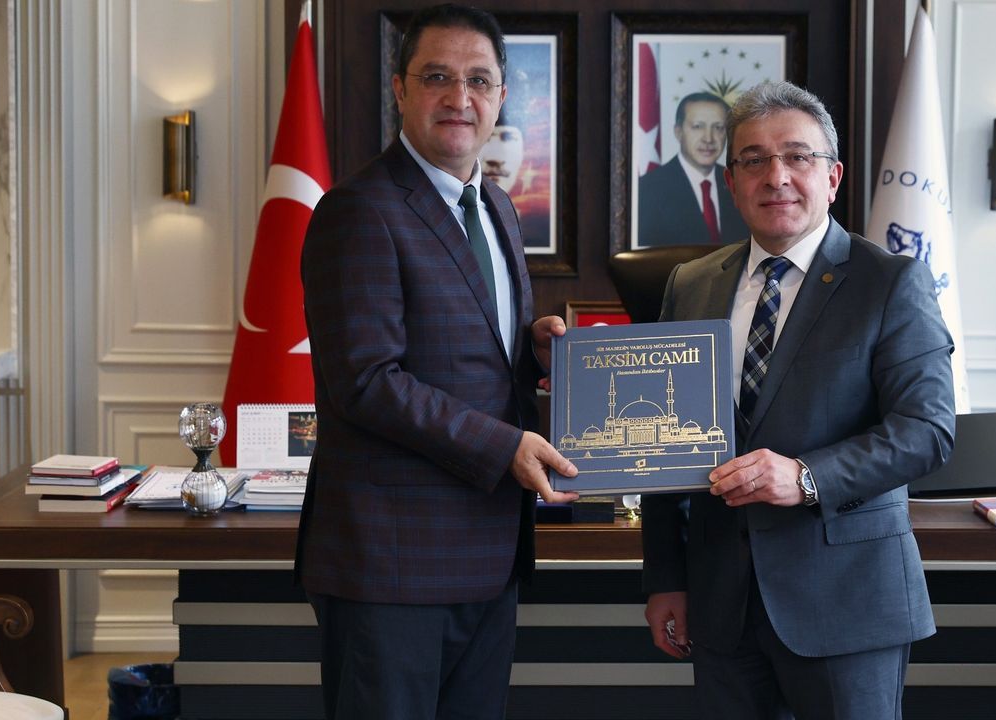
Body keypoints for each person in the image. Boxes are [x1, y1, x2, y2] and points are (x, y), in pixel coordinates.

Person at [295, 4, 578, 719]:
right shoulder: (358, 210)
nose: (460, 97)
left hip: (488, 552)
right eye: (437, 77)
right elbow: (368, 381)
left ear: (501, 97)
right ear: (400, 89)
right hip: (392, 563)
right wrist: (506, 446)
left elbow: (472, 351)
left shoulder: (498, 207)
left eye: (479, 80)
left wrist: (532, 349)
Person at [641, 80, 956, 720]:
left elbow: (926, 431)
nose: (776, 176)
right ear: (731, 182)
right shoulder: (691, 285)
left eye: (797, 157)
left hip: (846, 601)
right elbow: (666, 444)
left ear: (832, 177)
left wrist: (807, 477)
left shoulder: (890, 282)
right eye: (754, 159)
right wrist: (666, 579)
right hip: (721, 604)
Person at [637, 92, 750, 247]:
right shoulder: (647, 190)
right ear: (678, 132)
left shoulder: (738, 184)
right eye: (698, 126)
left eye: (718, 128)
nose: (708, 139)